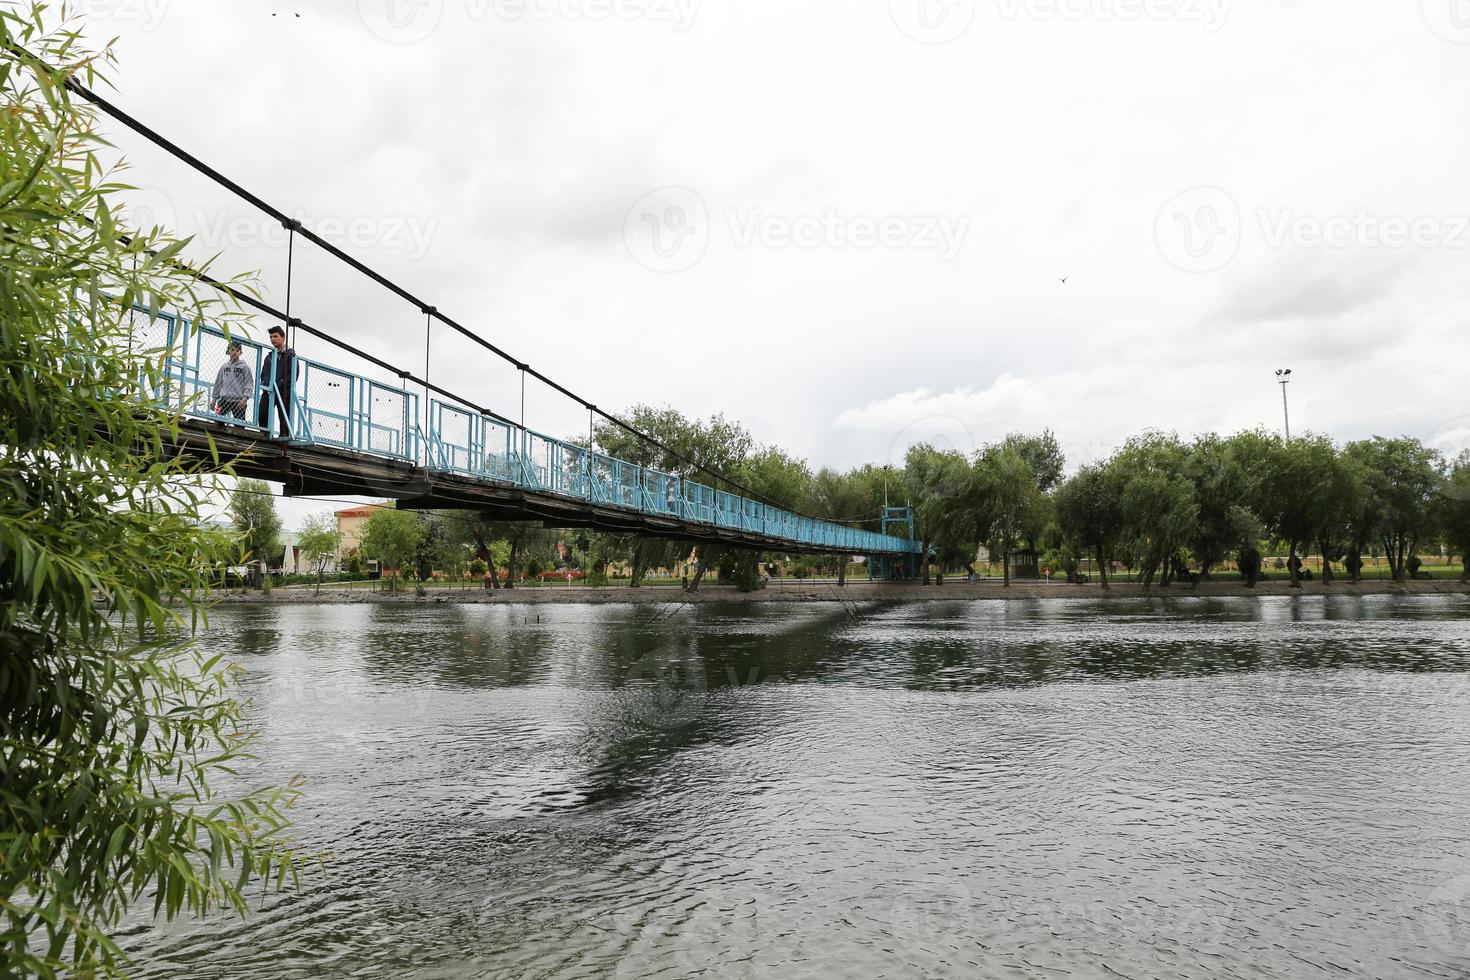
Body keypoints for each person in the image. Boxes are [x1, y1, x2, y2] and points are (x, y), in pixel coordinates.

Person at [257, 324, 297, 436]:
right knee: (263, 411)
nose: (272, 339)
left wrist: (282, 383)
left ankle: (284, 436)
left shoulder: (291, 355)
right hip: (269, 389)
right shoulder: (269, 356)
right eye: (271, 337)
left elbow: (294, 373)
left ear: (283, 337)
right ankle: (264, 434)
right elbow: (263, 373)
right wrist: (264, 383)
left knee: (284, 414)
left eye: (275, 336)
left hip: (283, 390)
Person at [210, 341, 252, 420]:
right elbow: (218, 383)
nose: (234, 352)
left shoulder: (244, 367)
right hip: (224, 400)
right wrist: (214, 399)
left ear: (240, 352)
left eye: (237, 350)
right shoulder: (224, 367)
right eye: (232, 350)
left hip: (238, 400)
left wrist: (244, 399)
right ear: (228, 352)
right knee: (218, 421)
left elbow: (249, 384)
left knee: (239, 425)